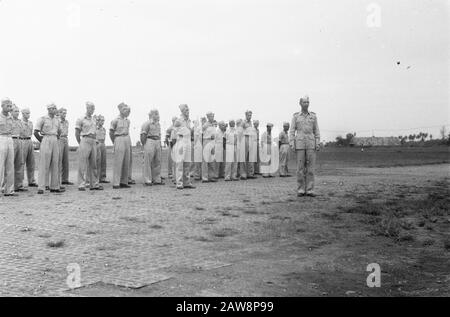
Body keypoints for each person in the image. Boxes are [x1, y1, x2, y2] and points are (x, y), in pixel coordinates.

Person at [289, 96, 320, 197]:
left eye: (308, 102)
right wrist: (292, 143)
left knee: (311, 168)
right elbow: (292, 131)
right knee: (300, 168)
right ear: (300, 103)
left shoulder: (313, 116)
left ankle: (310, 190)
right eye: (304, 102)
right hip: (300, 144)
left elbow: (316, 131)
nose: (306, 104)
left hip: (311, 144)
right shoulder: (296, 116)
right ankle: (301, 189)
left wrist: (317, 143)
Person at [34, 103, 65, 194]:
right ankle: (41, 187)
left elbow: (59, 131)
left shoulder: (57, 120)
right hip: (46, 138)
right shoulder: (43, 119)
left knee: (55, 163)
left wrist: (56, 138)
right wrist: (42, 141)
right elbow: (36, 132)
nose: (55, 110)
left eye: (55, 108)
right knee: (44, 164)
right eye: (53, 108)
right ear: (49, 109)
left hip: (54, 139)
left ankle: (54, 186)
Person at [75, 102, 103, 191]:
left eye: (93, 108)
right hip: (85, 139)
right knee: (82, 164)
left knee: (94, 164)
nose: (92, 110)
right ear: (87, 108)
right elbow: (77, 132)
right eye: (91, 108)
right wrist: (80, 143)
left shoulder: (94, 119)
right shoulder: (81, 119)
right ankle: (81, 184)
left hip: (93, 140)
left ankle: (94, 184)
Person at [110, 103, 132, 189]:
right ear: (120, 110)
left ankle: (124, 181)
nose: (127, 112)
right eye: (125, 110)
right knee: (118, 161)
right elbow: (111, 132)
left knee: (126, 161)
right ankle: (116, 183)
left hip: (126, 138)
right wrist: (115, 142)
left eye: (128, 110)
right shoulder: (115, 120)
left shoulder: (128, 121)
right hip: (118, 138)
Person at [141, 109, 164, 186]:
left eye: (158, 114)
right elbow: (143, 135)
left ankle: (157, 179)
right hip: (149, 140)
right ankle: (147, 180)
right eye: (156, 114)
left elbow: (159, 134)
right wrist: (144, 145)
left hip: (157, 141)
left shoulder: (158, 124)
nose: (158, 115)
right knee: (148, 161)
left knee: (157, 161)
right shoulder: (147, 124)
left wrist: (159, 143)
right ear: (152, 115)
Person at [173, 117, 195, 190]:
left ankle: (187, 182)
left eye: (188, 109)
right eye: (186, 109)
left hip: (188, 140)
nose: (187, 111)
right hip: (181, 140)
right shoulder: (179, 119)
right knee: (180, 162)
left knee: (187, 163)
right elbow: (175, 126)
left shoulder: (188, 121)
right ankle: (179, 183)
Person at [0, 98, 16, 196]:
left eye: (10, 106)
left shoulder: (11, 117)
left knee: (10, 165)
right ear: (2, 106)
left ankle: (9, 190)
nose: (9, 107)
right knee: (0, 165)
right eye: (7, 106)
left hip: (10, 138)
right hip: (1, 138)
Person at [20, 108, 37, 188]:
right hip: (22, 141)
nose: (28, 115)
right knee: (21, 162)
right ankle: (20, 182)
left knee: (31, 163)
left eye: (29, 113)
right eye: (27, 113)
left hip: (29, 141)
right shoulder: (19, 122)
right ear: (22, 113)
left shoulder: (30, 123)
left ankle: (31, 181)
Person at [11, 105, 26, 192]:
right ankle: (8, 185)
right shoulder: (9, 120)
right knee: (10, 164)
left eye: (18, 111)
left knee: (19, 163)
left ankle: (19, 185)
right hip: (11, 140)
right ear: (11, 112)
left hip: (19, 141)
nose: (17, 113)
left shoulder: (20, 121)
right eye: (15, 111)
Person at [58, 107, 73, 185]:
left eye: (65, 113)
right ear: (59, 113)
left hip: (65, 139)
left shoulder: (67, 122)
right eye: (63, 113)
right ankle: (57, 180)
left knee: (65, 160)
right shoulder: (57, 121)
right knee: (58, 160)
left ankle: (65, 179)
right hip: (59, 139)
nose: (65, 114)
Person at [201, 112, 216, 183]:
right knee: (205, 160)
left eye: (213, 116)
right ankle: (205, 177)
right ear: (208, 117)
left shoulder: (213, 125)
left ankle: (211, 176)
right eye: (211, 116)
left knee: (212, 159)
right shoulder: (205, 125)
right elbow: (201, 134)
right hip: (206, 141)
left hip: (212, 142)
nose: (212, 117)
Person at [95, 114, 109, 183]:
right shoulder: (95, 128)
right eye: (101, 120)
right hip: (97, 144)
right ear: (98, 120)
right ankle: (96, 178)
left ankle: (103, 177)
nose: (102, 122)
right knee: (98, 161)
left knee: (103, 161)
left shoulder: (104, 129)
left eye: (103, 120)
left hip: (103, 144)